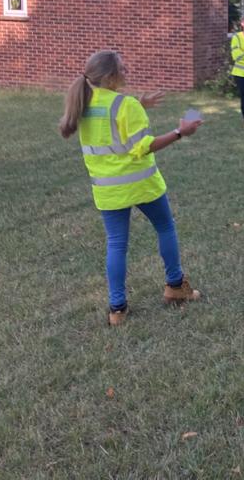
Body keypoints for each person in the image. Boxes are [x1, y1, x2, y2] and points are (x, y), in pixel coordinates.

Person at [58, 50, 203, 326]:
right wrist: (180, 132)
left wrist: (139, 103)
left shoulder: (85, 103)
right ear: (111, 77)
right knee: (165, 227)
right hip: (142, 185)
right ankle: (175, 286)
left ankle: (117, 309)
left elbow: (110, 119)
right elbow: (143, 146)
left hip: (108, 191)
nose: (128, 72)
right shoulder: (125, 105)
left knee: (116, 244)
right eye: (123, 69)